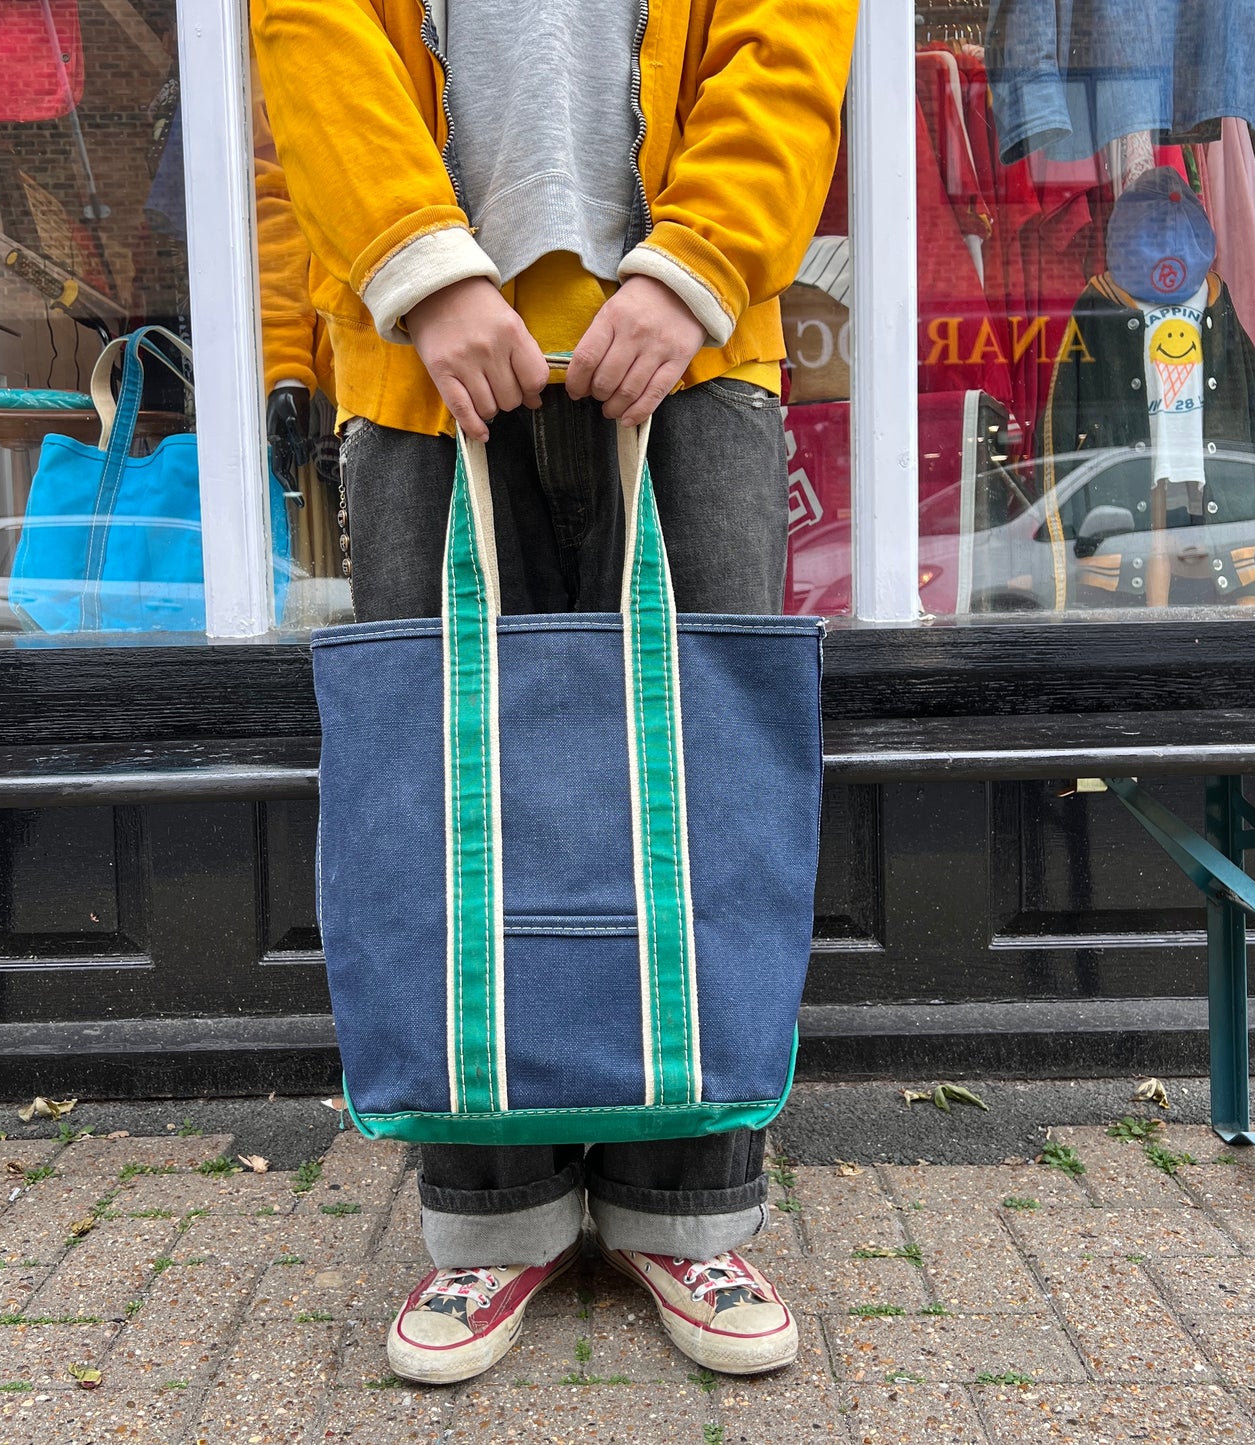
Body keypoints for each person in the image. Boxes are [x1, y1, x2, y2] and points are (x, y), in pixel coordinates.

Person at [254, 0, 857, 1385]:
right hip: (423, 353)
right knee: (443, 800)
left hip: (694, 344)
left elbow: (791, 32)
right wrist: (416, 264)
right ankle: (492, 1211)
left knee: (701, 788)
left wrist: (700, 263)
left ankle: (687, 1210)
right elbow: (309, 30)